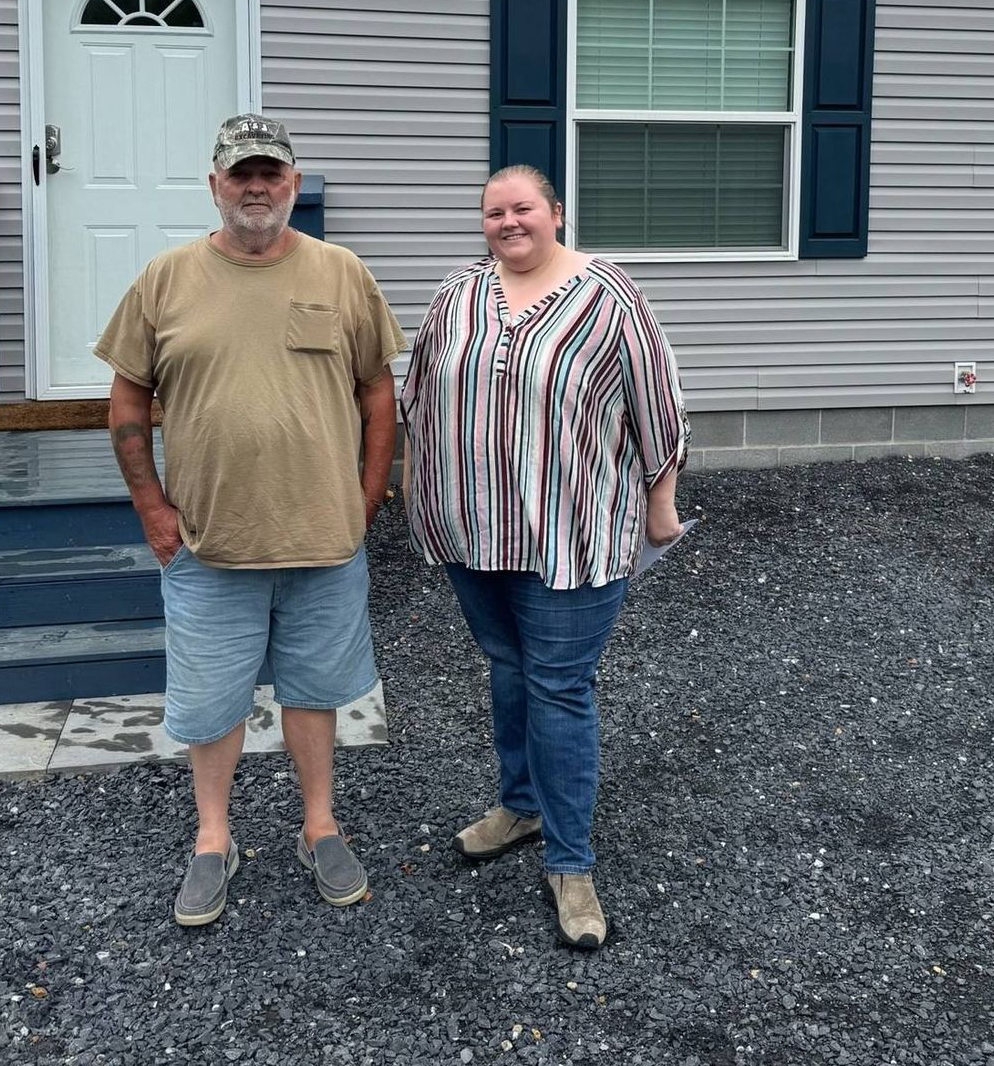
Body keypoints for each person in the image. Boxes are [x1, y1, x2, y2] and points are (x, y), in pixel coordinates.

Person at [94, 114, 406, 927]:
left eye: (271, 173)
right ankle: (212, 838)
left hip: (323, 540)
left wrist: (369, 496)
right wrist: (152, 508)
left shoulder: (341, 273)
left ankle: (319, 826)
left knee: (314, 690)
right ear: (215, 186)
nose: (257, 187)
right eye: (242, 174)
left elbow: (378, 391)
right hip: (207, 540)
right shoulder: (165, 278)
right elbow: (129, 396)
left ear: (294, 185)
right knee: (210, 700)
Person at [400, 164, 689, 950]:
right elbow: (420, 393)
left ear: (555, 213)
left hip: (573, 531)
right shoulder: (458, 292)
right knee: (505, 663)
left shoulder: (609, 294)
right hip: (474, 528)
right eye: (493, 212)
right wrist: (415, 488)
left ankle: (571, 861)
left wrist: (659, 504)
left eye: (522, 207)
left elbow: (658, 404)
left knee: (559, 685)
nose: (507, 222)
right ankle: (521, 805)